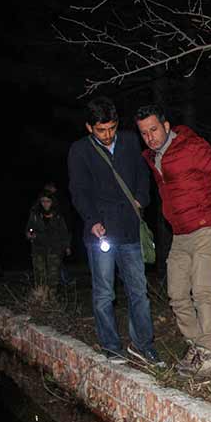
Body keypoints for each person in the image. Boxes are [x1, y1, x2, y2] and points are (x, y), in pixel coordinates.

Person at [134, 103, 211, 379]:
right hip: (180, 233)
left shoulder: (190, 147)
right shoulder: (153, 157)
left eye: (154, 130)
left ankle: (209, 354)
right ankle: (196, 346)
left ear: (166, 126)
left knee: (202, 291)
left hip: (206, 226)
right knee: (177, 294)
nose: (150, 137)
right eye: (144, 133)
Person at [67, 96, 162, 367]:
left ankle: (143, 345)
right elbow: (79, 190)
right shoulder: (79, 151)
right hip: (101, 233)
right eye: (101, 130)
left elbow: (144, 175)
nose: (108, 135)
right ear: (89, 128)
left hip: (129, 229)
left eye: (111, 128)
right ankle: (111, 346)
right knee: (104, 293)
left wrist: (141, 199)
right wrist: (92, 220)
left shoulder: (131, 141)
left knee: (138, 291)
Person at [25, 190, 70, 296]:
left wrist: (67, 246)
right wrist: (29, 234)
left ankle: (52, 300)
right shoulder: (35, 214)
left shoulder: (58, 215)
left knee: (53, 276)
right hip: (38, 249)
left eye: (48, 201)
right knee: (40, 276)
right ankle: (42, 300)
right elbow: (28, 228)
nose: (45, 203)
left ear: (52, 202)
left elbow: (64, 232)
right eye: (43, 201)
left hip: (54, 249)